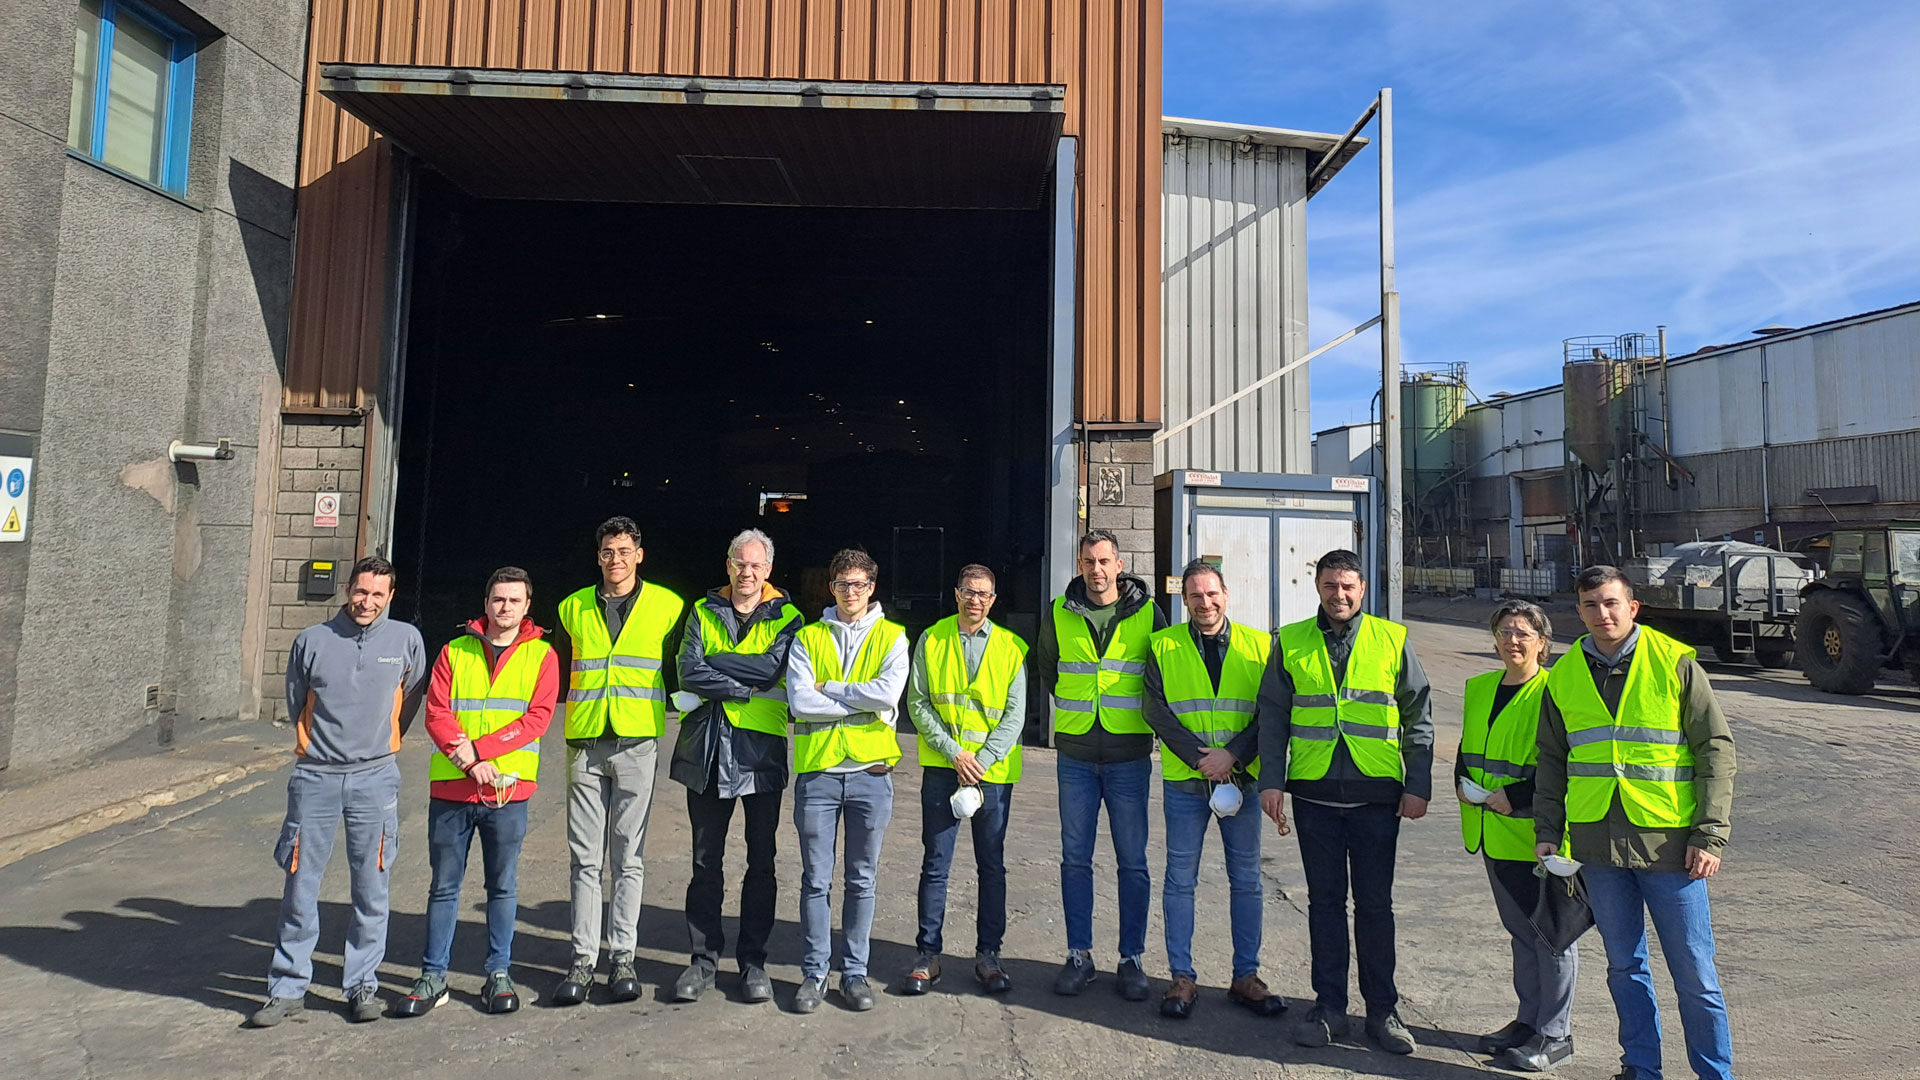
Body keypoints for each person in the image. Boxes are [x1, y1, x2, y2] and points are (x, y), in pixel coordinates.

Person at [1534, 566, 1737, 1080]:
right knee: (1625, 968)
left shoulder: (1674, 663)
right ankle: (1641, 1069)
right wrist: (1546, 832)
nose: (1602, 614)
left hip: (1672, 846)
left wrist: (1710, 832)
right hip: (1598, 848)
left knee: (1695, 975)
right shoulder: (1563, 676)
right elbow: (1553, 761)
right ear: (1577, 612)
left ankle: (1715, 1074)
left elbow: (1715, 749)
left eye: (1611, 603)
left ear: (1632, 607)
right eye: (1590, 605)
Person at [1257, 548, 1433, 1054]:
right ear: (1317, 586)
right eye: (1331, 585)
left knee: (1376, 907)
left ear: (1362, 589)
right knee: (1325, 907)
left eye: (1348, 586)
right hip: (1314, 796)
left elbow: (1418, 714)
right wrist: (1272, 780)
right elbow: (1273, 716)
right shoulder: (1289, 641)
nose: (1340, 595)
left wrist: (1417, 783)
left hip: (1377, 797)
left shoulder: (1392, 639)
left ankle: (1383, 1011)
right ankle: (1329, 1008)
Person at [251, 556, 427, 1027]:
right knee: (300, 886)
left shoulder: (406, 641)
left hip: (375, 778)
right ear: (348, 590)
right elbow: (296, 700)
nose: (367, 602)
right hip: (317, 779)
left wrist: (380, 745)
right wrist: (320, 748)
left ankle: (362, 985)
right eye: (360, 591)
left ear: (391, 597)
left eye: (378, 595)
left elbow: (410, 697)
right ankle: (287, 988)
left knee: (372, 886)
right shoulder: (311, 641)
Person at [394, 566, 558, 1018]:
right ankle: (433, 977)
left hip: (508, 791)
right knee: (443, 887)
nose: (504, 608)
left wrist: (482, 752)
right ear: (485, 604)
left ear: (528, 607)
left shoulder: (542, 656)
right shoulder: (453, 651)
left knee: (502, 886)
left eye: (514, 601)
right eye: (498, 600)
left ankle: (498, 974)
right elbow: (436, 712)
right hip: (453, 788)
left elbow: (537, 718)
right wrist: (470, 763)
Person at [1142, 560, 1288, 1021]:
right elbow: (1155, 709)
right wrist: (1200, 758)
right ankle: (1181, 977)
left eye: (1212, 594)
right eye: (1195, 596)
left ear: (1227, 594)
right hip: (1187, 781)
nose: (1205, 603)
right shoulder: (1163, 645)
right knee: (1179, 879)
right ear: (1183, 600)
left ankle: (1246, 976)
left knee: (1246, 880)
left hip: (1240, 780)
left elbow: (1271, 710)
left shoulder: (1260, 646)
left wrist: (1232, 757)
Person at [551, 517, 686, 1006]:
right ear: (598, 556)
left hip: (636, 743)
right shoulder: (572, 607)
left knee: (628, 858)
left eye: (625, 550)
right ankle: (582, 960)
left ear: (640, 554)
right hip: (585, 742)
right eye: (608, 551)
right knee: (584, 859)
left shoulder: (669, 606)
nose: (616, 560)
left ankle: (623, 957)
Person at [671, 528, 803, 1004]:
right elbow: (688, 670)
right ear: (727, 564)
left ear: (768, 570)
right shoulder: (702, 611)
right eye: (738, 564)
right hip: (705, 750)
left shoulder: (790, 616)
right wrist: (741, 684)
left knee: (760, 863)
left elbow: (773, 669)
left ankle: (754, 963)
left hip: (759, 753)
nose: (746, 574)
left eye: (755, 566)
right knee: (705, 864)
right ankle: (702, 962)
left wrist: (718, 664)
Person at [1035, 529, 1166, 1000]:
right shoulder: (1058, 613)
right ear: (1079, 564)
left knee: (1133, 862)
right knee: (1075, 860)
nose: (1097, 569)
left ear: (1120, 564)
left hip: (1129, 756)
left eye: (1105, 561)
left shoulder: (1150, 614)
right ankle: (1079, 956)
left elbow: (1160, 676)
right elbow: (1048, 670)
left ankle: (1131, 959)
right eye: (1089, 561)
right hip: (1075, 756)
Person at [784, 548, 910, 1013]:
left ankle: (854, 973)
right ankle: (815, 974)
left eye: (859, 584)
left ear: (872, 588)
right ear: (830, 587)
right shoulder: (808, 638)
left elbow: (887, 695)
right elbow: (800, 703)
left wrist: (830, 688)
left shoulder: (893, 638)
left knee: (861, 880)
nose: (850, 592)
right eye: (842, 584)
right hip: (818, 774)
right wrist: (861, 701)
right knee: (815, 881)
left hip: (870, 775)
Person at [1457, 600, 1578, 1071]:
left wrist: (1517, 796)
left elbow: (1561, 762)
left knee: (1552, 937)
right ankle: (1529, 1021)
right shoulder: (1480, 687)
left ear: (1543, 644)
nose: (1513, 640)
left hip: (1536, 833)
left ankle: (1557, 1033)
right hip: (1492, 832)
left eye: (1524, 633)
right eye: (1505, 631)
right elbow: (1469, 749)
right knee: (1521, 936)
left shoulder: (1555, 691)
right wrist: (1462, 785)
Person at [902, 564, 1030, 997]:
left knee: (991, 866)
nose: (975, 600)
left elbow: (1015, 715)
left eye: (984, 594)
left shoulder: (1012, 648)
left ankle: (988, 956)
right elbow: (917, 703)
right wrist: (954, 753)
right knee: (935, 865)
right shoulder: (932, 639)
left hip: (991, 777)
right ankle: (928, 955)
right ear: (956, 594)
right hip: (944, 767)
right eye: (968, 592)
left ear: (994, 600)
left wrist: (983, 761)